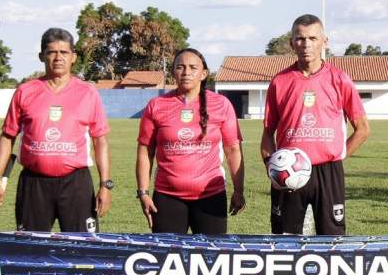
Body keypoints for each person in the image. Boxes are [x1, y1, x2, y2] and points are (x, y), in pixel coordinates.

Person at [0, 27, 111, 232]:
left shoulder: (87, 92)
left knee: (81, 251)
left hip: (76, 184)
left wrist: (105, 185)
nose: (58, 57)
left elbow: (100, 141)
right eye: (51, 52)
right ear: (41, 56)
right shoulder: (25, 91)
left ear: (73, 57)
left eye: (64, 52)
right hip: (34, 183)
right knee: (31, 250)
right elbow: (7, 136)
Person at [261, 14, 370, 235]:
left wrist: (337, 156)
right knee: (285, 238)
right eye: (300, 38)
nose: (306, 44)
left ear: (324, 41)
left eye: (312, 38)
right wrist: (273, 171)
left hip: (328, 171)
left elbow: (363, 129)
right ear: (292, 43)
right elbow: (267, 133)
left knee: (331, 239)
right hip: (288, 171)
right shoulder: (280, 81)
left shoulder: (340, 79)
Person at [136, 48, 245, 233]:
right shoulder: (156, 105)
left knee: (211, 259)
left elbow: (233, 149)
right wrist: (143, 193)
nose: (186, 72)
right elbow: (145, 151)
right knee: (168, 259)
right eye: (180, 67)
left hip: (211, 197)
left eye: (193, 67)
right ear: (173, 72)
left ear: (203, 74)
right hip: (167, 197)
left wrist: (239, 190)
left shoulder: (221, 104)